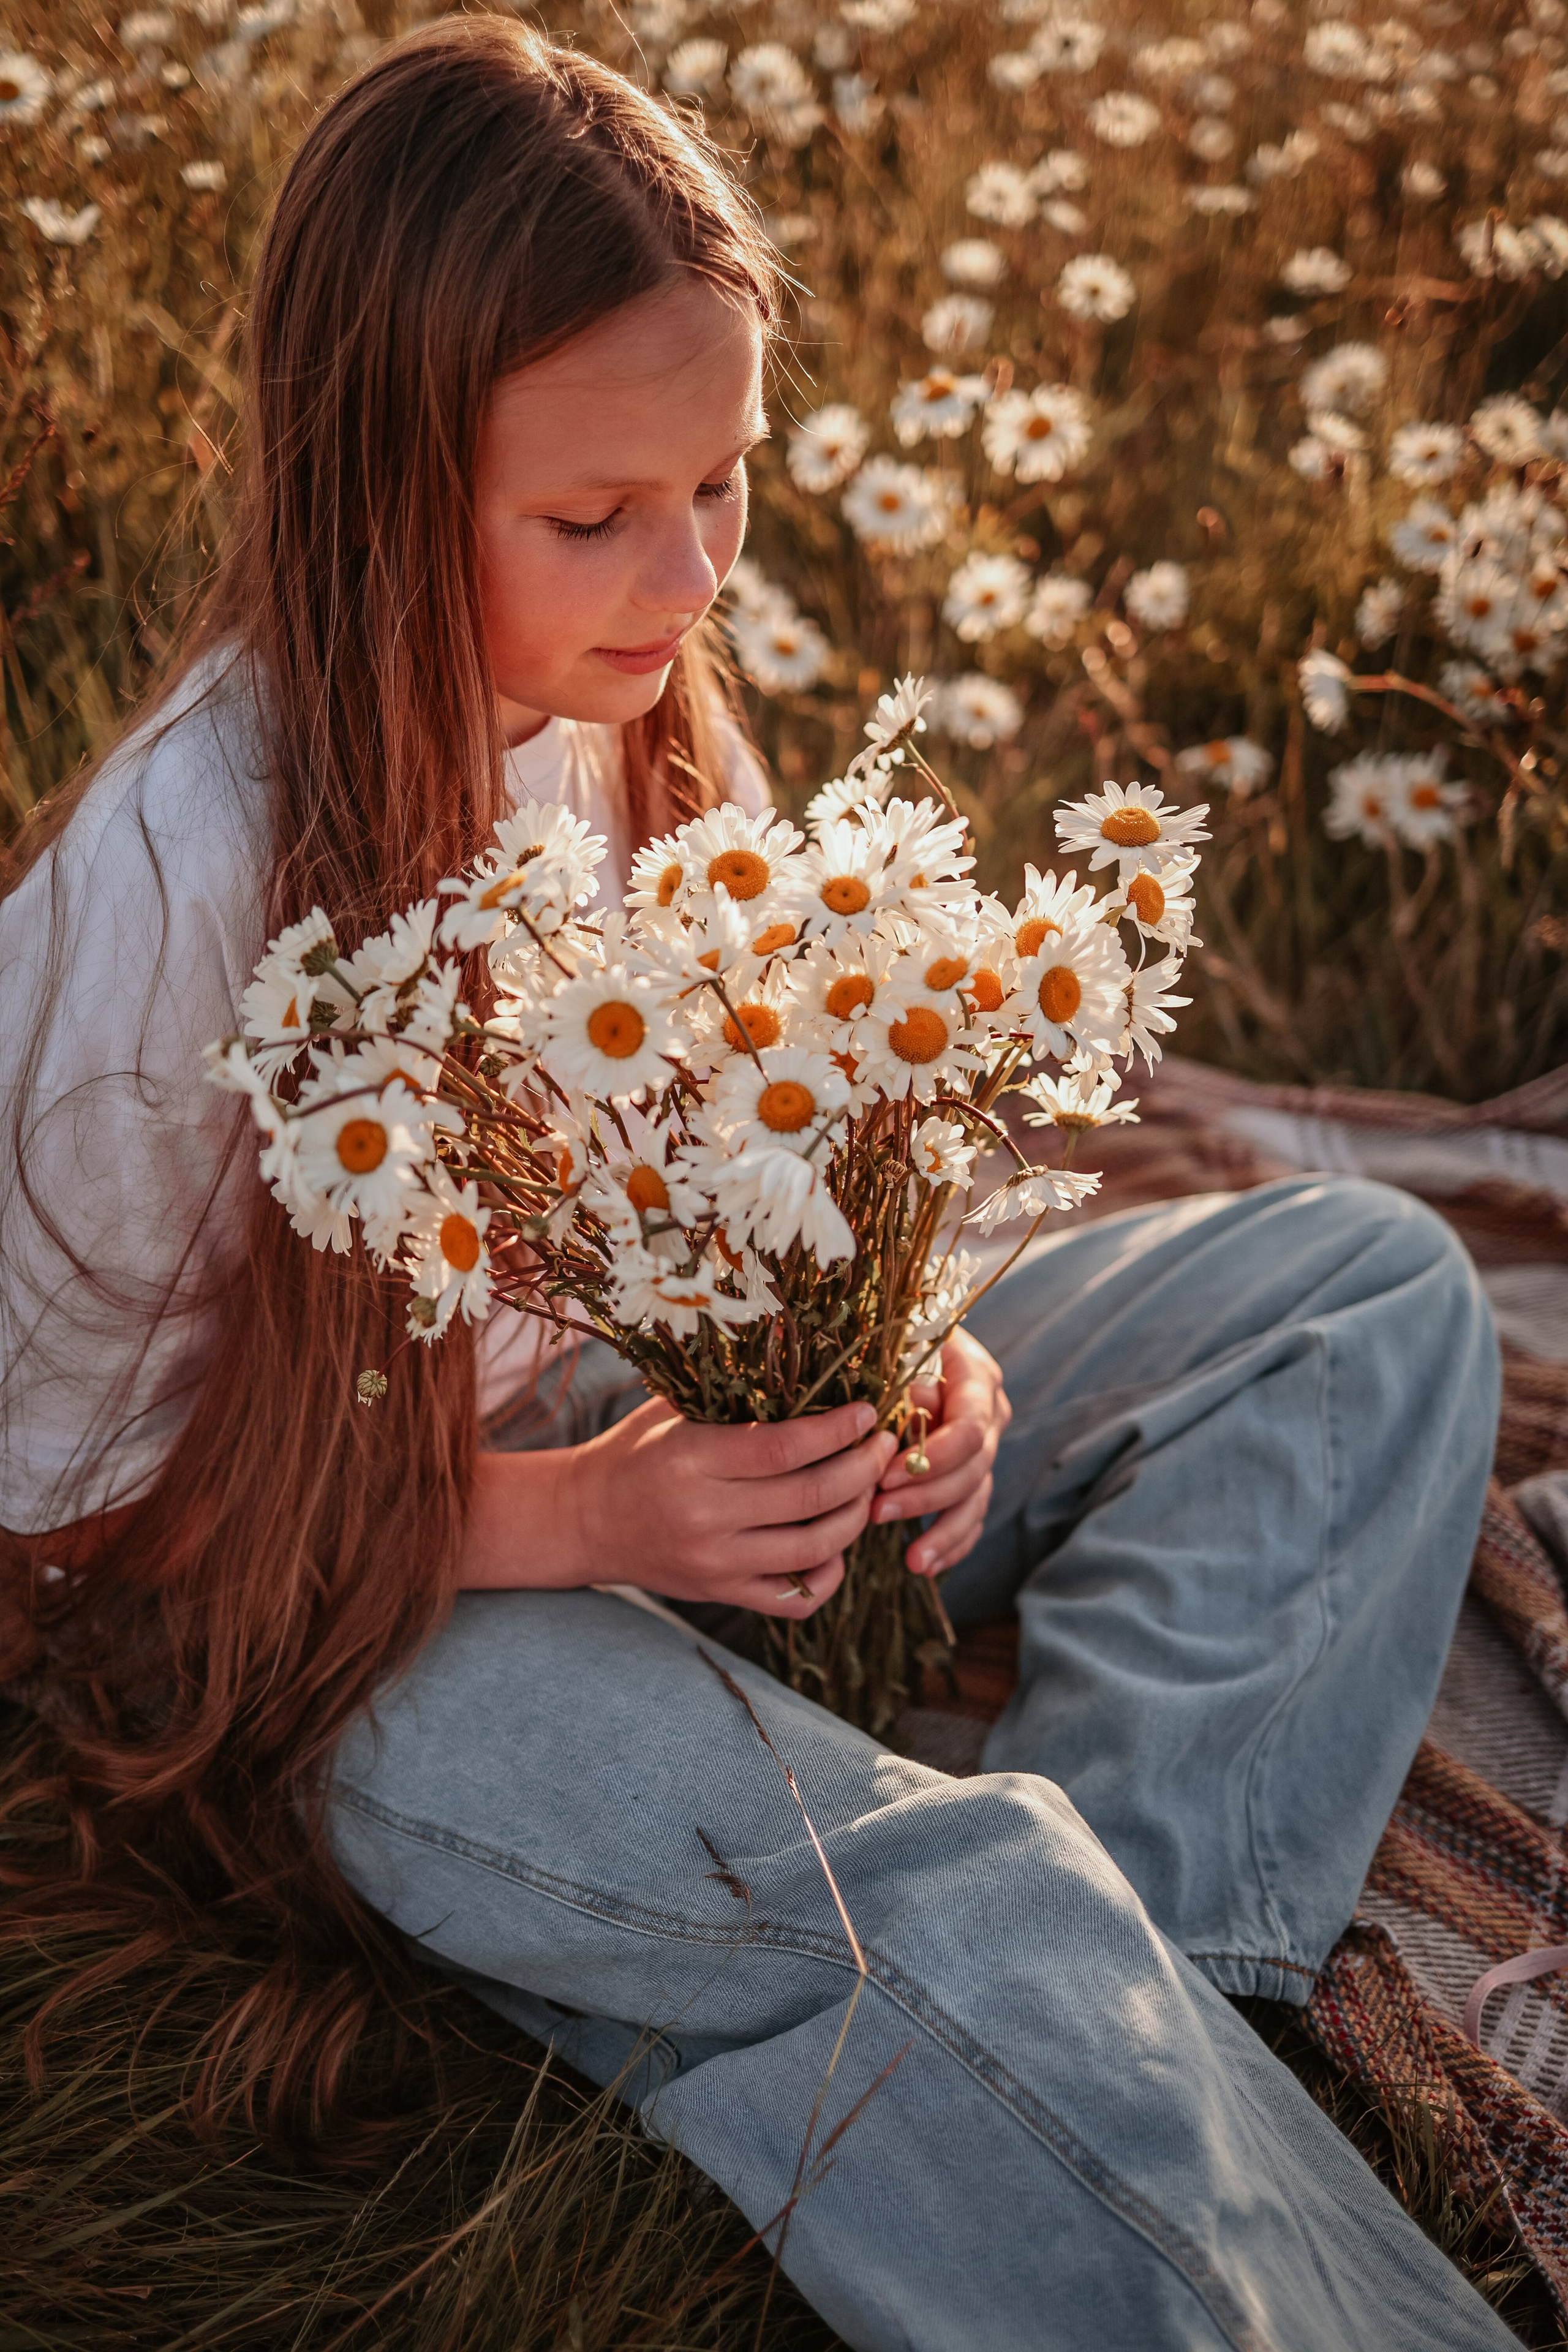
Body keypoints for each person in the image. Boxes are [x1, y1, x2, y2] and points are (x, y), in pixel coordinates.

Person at [0, 20, 1509, 2349]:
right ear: (373, 495)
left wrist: (909, 1347)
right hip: (368, 1636)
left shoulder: (620, 699)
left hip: (656, 1419)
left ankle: (1126, 2015)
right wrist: (581, 1522)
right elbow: (86, 1540)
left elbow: (738, 1145)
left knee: (1367, 1299)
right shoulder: (183, 875)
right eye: (593, 514)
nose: (688, 574)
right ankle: (1047, 2025)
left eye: (724, 485)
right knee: (937, 1890)